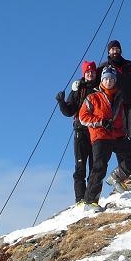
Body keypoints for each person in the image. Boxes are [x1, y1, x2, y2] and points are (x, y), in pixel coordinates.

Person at [79, 66, 131, 213]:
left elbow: (121, 118)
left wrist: (123, 131)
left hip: (117, 135)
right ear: (102, 80)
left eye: (112, 79)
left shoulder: (119, 96)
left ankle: (116, 177)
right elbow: (83, 117)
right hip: (100, 136)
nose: (109, 81)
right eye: (106, 78)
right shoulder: (92, 97)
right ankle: (90, 202)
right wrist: (100, 122)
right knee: (99, 167)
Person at [56, 61, 98, 204]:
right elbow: (69, 111)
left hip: (96, 132)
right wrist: (61, 102)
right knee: (80, 166)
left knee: (95, 166)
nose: (90, 74)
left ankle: (92, 198)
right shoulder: (78, 89)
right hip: (81, 131)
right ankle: (80, 199)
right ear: (84, 73)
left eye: (92, 72)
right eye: (88, 72)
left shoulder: (101, 86)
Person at [97, 40, 131, 109]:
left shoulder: (129, 65)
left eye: (117, 49)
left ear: (120, 51)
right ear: (109, 52)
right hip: (111, 104)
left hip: (129, 104)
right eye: (112, 49)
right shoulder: (102, 67)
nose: (115, 51)